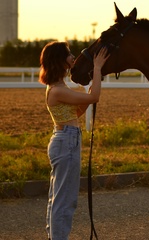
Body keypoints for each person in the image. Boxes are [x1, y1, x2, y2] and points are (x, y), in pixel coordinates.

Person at [39, 41, 109, 240]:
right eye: (68, 55)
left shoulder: (59, 87)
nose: (72, 57)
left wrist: (86, 98)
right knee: (65, 200)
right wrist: (97, 68)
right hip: (66, 142)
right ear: (59, 61)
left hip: (66, 140)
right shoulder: (57, 90)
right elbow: (95, 96)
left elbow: (77, 111)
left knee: (58, 198)